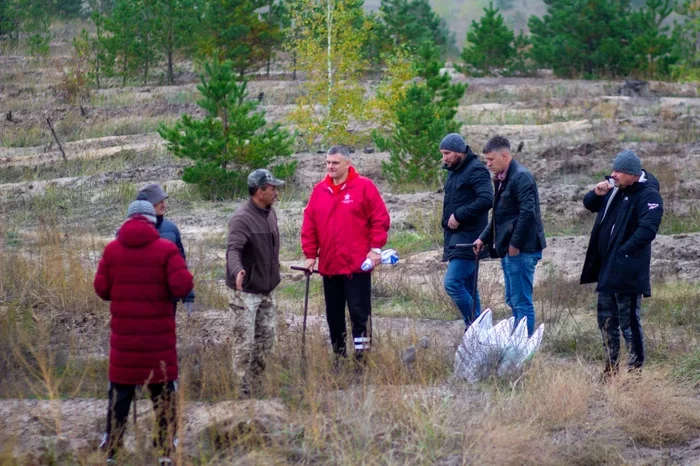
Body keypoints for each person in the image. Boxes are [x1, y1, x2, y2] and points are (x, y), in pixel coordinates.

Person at [94, 199, 194, 465]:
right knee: (162, 397)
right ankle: (164, 452)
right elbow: (182, 286)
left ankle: (112, 451)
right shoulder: (166, 250)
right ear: (152, 221)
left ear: (127, 220)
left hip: (124, 344)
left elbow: (101, 290)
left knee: (120, 397)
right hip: (157, 344)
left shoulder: (112, 251)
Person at [301, 145, 390, 365]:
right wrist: (310, 255)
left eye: (335, 163)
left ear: (347, 164)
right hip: (330, 266)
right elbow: (309, 224)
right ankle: (338, 357)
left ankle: (362, 359)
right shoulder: (319, 191)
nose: (330, 166)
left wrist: (375, 249)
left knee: (360, 315)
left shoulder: (364, 187)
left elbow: (380, 218)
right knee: (334, 316)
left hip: (357, 266)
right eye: (328, 162)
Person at [580, 150, 663, 378]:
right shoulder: (616, 188)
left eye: (618, 171)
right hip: (607, 270)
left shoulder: (648, 195)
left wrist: (623, 252)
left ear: (633, 174)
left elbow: (648, 229)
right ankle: (610, 370)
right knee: (606, 322)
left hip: (628, 272)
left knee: (629, 324)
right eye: (613, 169)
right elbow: (589, 204)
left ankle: (635, 375)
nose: (613, 174)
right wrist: (596, 194)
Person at [474, 135, 546, 337]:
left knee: (522, 302)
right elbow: (499, 216)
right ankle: (517, 341)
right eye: (486, 160)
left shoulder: (521, 177)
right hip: (509, 249)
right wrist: (483, 237)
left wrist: (515, 245)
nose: (487, 164)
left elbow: (528, 213)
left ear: (504, 156)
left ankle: (523, 347)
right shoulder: (502, 178)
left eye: (490, 160)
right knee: (512, 299)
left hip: (522, 250)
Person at [226, 169, 284, 396]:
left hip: (267, 290)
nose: (276, 192)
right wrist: (237, 269)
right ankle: (240, 396)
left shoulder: (270, 213)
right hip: (246, 293)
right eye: (273, 188)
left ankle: (257, 389)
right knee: (244, 345)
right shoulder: (241, 219)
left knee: (265, 343)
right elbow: (233, 249)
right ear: (260, 192)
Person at [439, 133, 494, 327]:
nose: (444, 157)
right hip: (455, 237)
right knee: (470, 288)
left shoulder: (476, 170)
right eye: (442, 153)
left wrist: (459, 215)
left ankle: (476, 325)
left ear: (460, 152)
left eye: (447, 153)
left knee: (453, 284)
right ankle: (477, 331)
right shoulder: (454, 170)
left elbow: (487, 198)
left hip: (471, 238)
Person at [137, 183, 195, 316]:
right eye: (159, 202)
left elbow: (181, 265)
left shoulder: (171, 229)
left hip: (168, 299)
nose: (164, 205)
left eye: (164, 201)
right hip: (139, 299)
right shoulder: (127, 232)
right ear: (147, 205)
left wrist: (188, 294)